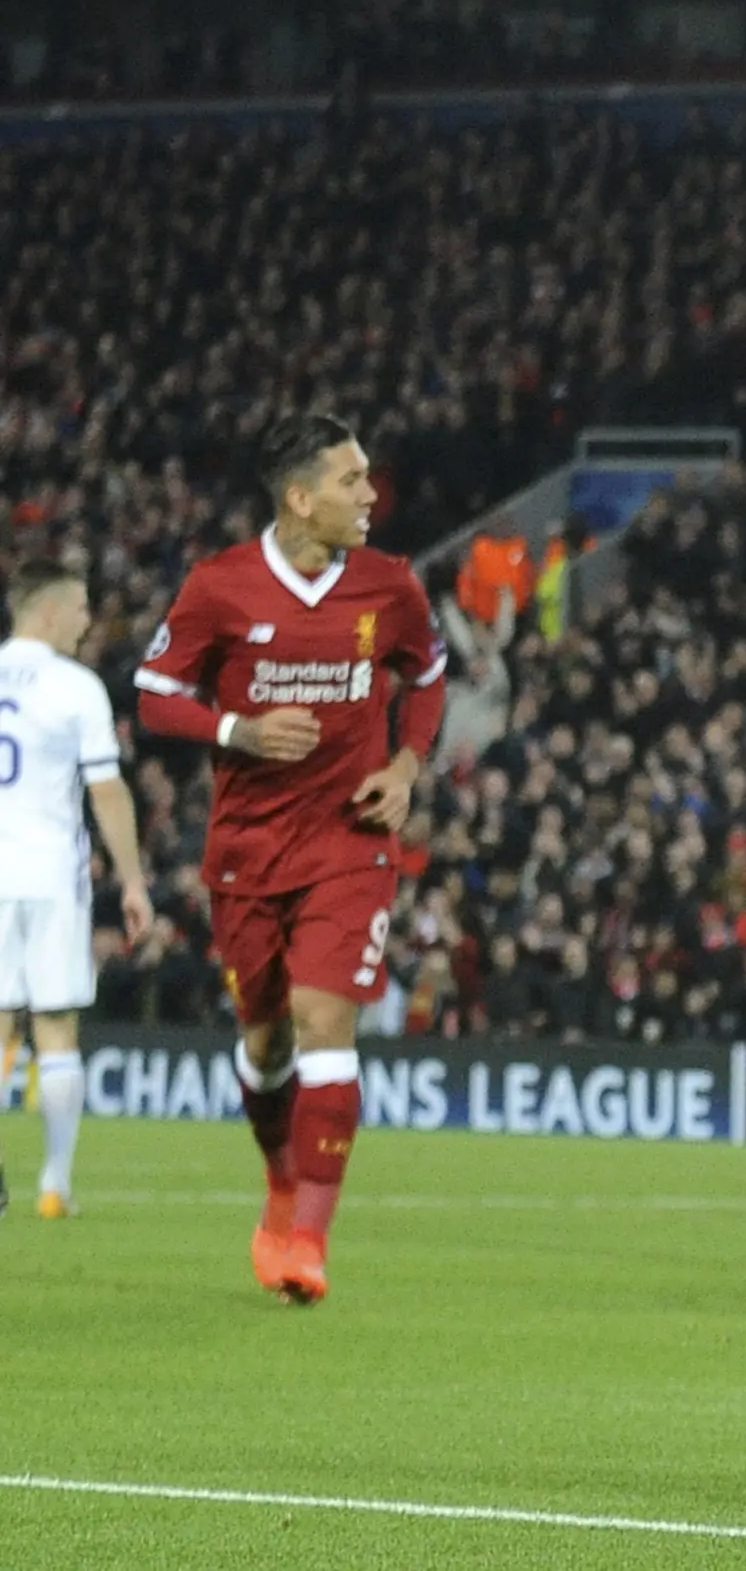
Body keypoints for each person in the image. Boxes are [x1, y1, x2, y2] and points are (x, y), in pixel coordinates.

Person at [134, 412, 447, 1304]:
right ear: (300, 498)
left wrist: (405, 765)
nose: (371, 495)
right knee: (265, 1042)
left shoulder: (391, 587)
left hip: (350, 842)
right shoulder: (220, 586)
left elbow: (425, 678)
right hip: (247, 852)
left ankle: (309, 1238)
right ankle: (280, 1186)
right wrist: (237, 728)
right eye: (352, 482)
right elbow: (156, 693)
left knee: (325, 1021)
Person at [0, 568, 156, 1219]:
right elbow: (106, 790)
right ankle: (55, 1185)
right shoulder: (75, 687)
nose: (88, 623)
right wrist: (134, 879)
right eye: (81, 610)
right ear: (49, 614)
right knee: (56, 1026)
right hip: (48, 874)